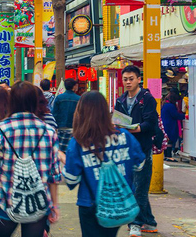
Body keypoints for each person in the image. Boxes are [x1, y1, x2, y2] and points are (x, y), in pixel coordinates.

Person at [0, 81, 62, 237]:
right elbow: (54, 174)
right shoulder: (49, 132)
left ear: (12, 101)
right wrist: (54, 205)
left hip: (6, 202)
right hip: (37, 204)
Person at [62, 91, 146, 236]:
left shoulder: (78, 141)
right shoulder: (124, 136)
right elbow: (139, 164)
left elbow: (71, 179)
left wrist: (62, 161)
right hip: (119, 204)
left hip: (89, 203)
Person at [115, 65, 158, 237]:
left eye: (131, 79)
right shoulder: (121, 100)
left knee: (139, 189)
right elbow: (117, 122)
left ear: (139, 79)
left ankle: (136, 224)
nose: (127, 82)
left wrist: (136, 129)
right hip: (126, 150)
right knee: (135, 187)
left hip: (143, 148)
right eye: (125, 79)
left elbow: (151, 125)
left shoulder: (147, 99)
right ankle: (149, 221)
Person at [52, 78, 80, 152]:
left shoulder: (59, 98)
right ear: (74, 86)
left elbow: (54, 113)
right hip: (74, 128)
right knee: (73, 150)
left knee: (61, 151)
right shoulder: (79, 99)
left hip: (61, 128)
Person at [161, 92, 185, 161]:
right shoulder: (170, 106)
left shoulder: (165, 104)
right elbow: (175, 115)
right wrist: (184, 116)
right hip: (170, 125)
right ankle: (168, 156)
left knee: (167, 140)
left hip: (166, 124)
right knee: (170, 140)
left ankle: (166, 155)